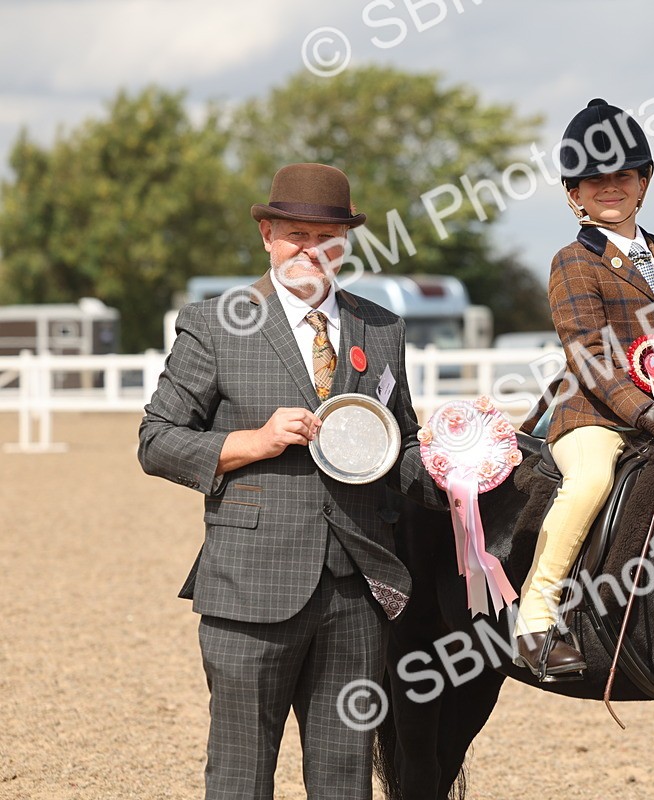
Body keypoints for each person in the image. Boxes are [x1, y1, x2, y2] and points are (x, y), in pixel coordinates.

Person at [138, 163, 443, 799]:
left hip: (357, 590)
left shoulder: (382, 329)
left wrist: (453, 462)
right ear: (268, 236)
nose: (311, 250)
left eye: (327, 237)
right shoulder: (217, 323)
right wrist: (253, 441)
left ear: (347, 243)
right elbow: (157, 441)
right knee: (241, 778)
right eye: (296, 234)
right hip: (250, 588)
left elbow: (402, 442)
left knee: (344, 782)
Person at [513, 99, 654, 679]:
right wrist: (646, 415)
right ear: (575, 193)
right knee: (590, 480)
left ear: (643, 182)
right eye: (596, 180)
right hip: (592, 412)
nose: (611, 189)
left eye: (623, 176)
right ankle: (537, 618)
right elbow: (590, 356)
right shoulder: (572, 261)